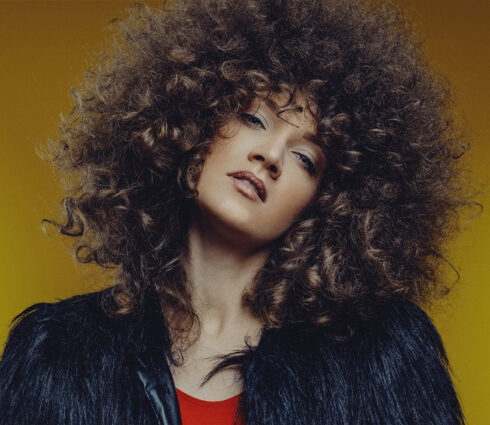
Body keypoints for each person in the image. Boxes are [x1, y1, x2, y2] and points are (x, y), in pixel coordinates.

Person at [0, 0, 474, 423]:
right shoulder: (54, 354)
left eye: (305, 158)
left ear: (327, 204)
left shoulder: (380, 358)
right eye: (254, 118)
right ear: (193, 121)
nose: (270, 155)